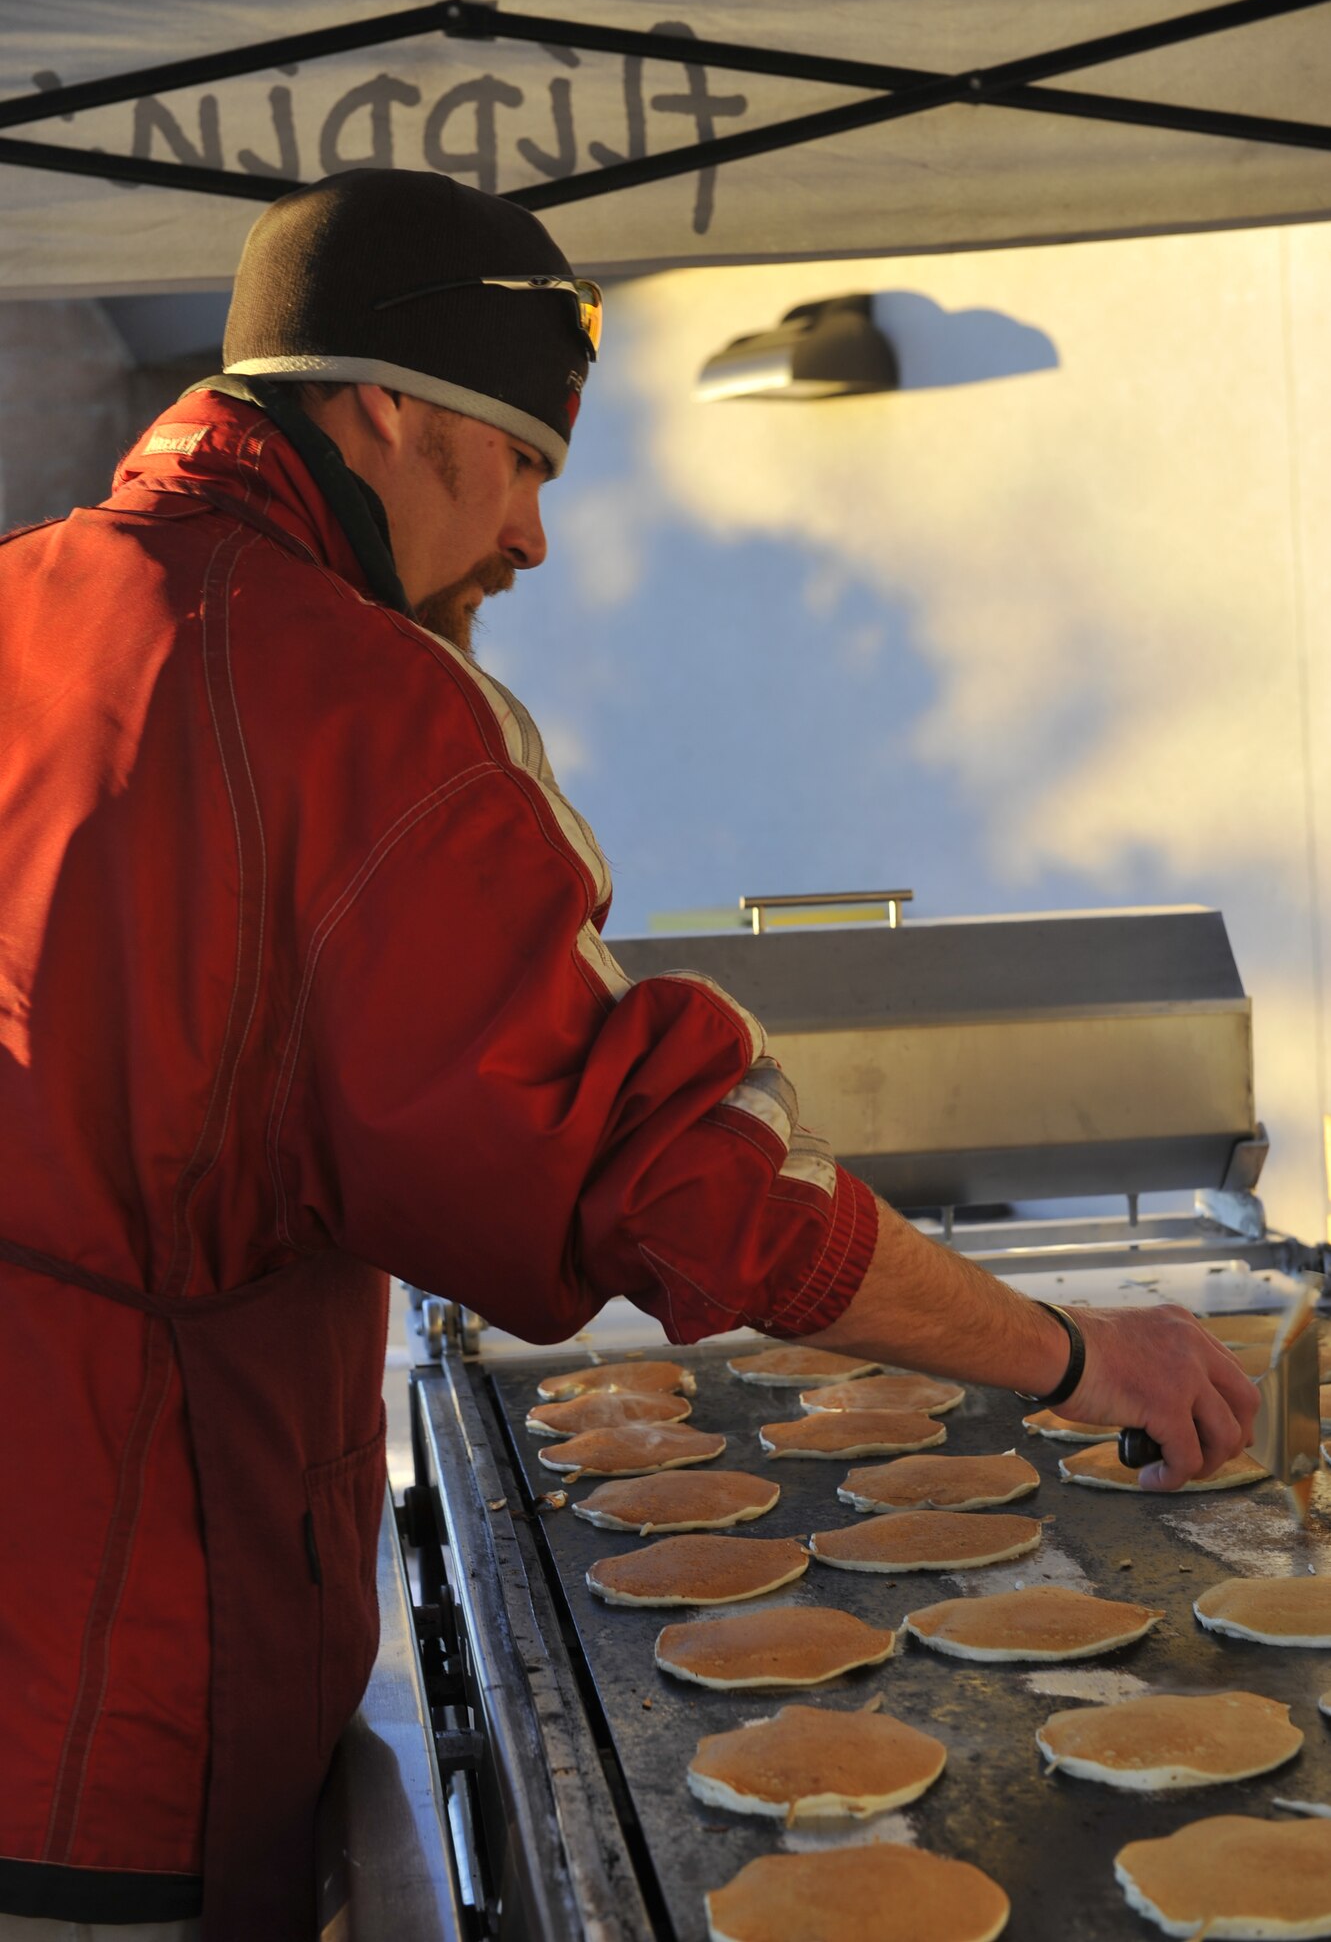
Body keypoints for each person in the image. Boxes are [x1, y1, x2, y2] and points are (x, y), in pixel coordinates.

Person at [0, 167, 1257, 1942]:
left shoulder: (23, 607)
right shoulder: (342, 699)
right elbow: (667, 1182)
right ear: (387, 411)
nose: (527, 540)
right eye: (519, 463)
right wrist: (1064, 1355)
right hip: (101, 1715)